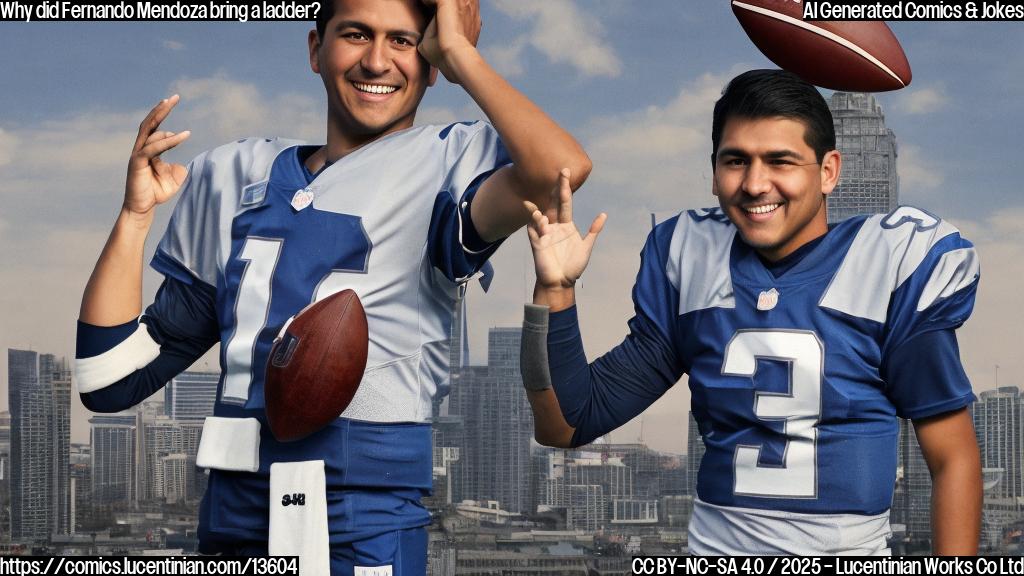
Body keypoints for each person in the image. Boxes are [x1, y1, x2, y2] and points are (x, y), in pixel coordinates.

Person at [74, 0, 590, 573]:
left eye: (402, 41)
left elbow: (559, 169)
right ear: (316, 48)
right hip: (232, 522)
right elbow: (108, 380)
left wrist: (463, 55)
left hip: (360, 528)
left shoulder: (446, 164)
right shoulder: (235, 175)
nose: (376, 61)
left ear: (430, 60)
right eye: (356, 34)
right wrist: (134, 218)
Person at [520, 70, 981, 555]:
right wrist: (555, 287)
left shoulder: (890, 264)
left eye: (780, 161)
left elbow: (952, 460)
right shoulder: (689, 257)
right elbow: (566, 424)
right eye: (736, 161)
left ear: (828, 171)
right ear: (714, 170)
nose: (756, 184)